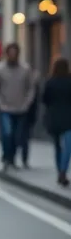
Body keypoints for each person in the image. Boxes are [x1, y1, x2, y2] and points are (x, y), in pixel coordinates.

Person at [0, 43, 36, 171]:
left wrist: (27, 103)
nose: (13, 55)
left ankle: (12, 158)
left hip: (21, 109)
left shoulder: (25, 69)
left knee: (17, 135)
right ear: (6, 54)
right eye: (10, 53)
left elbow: (31, 88)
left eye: (15, 53)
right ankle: (7, 157)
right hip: (5, 109)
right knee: (7, 134)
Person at [42, 57, 71, 187]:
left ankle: (60, 170)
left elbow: (44, 99)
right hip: (68, 118)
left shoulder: (50, 82)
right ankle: (63, 171)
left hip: (54, 118)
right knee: (67, 147)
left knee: (57, 146)